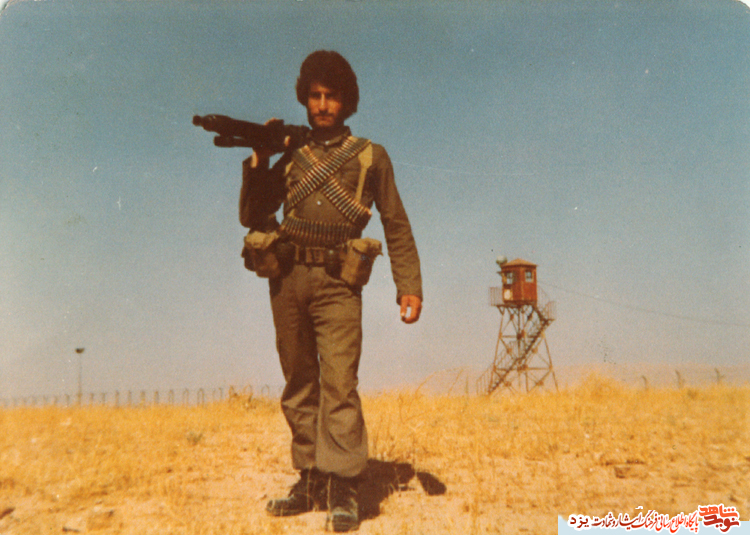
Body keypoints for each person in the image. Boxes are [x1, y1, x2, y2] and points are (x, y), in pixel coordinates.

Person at [239, 50, 422, 532]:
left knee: (339, 382)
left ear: (347, 101)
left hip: (339, 282)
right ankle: (310, 478)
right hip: (288, 279)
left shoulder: (370, 156)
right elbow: (253, 215)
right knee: (299, 380)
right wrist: (260, 158)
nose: (322, 105)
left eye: (332, 96)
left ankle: (343, 486)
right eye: (315, 95)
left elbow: (395, 222)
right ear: (305, 98)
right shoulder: (289, 153)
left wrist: (409, 284)